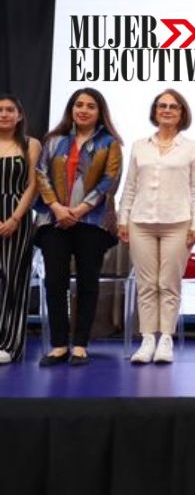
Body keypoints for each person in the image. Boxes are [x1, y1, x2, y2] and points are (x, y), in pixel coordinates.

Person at [35, 87, 122, 366]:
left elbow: (109, 181)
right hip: (53, 221)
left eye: (90, 106)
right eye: (79, 104)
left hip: (92, 223)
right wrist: (57, 208)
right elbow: (41, 175)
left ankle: (81, 345)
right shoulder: (53, 141)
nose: (83, 110)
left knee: (88, 282)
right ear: (71, 109)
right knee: (55, 281)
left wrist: (81, 209)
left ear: (100, 112)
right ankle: (59, 345)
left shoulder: (110, 143)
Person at [119, 89, 195, 364]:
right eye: (162, 106)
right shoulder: (139, 146)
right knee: (146, 284)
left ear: (182, 113)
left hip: (178, 223)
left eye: (173, 107)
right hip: (140, 222)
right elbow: (130, 185)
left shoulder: (191, 148)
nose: (167, 110)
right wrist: (123, 218)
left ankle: (166, 338)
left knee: (168, 283)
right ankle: (147, 340)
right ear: (155, 112)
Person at [0, 94, 40, 364]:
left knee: (14, 279)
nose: (4, 114)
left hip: (18, 215)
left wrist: (14, 218)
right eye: (0, 110)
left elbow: (33, 185)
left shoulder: (31, 144)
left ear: (19, 115)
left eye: (9, 110)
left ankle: (10, 344)